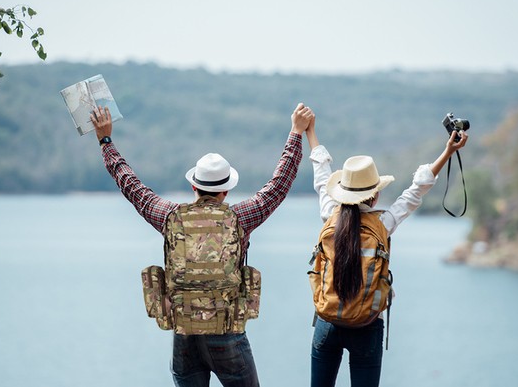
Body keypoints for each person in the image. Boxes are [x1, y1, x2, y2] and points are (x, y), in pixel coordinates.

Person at [90, 103, 314, 387]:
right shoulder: (240, 218)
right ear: (226, 190)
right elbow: (279, 184)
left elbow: (131, 185)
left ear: (194, 186)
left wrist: (105, 140)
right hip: (227, 335)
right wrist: (296, 132)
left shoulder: (170, 217)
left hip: (184, 336)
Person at [304, 116, 468, 387]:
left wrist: (311, 133)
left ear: (342, 192)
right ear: (375, 195)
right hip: (366, 325)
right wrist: (449, 151)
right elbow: (416, 191)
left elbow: (321, 177)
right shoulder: (382, 224)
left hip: (327, 320)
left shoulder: (329, 215)